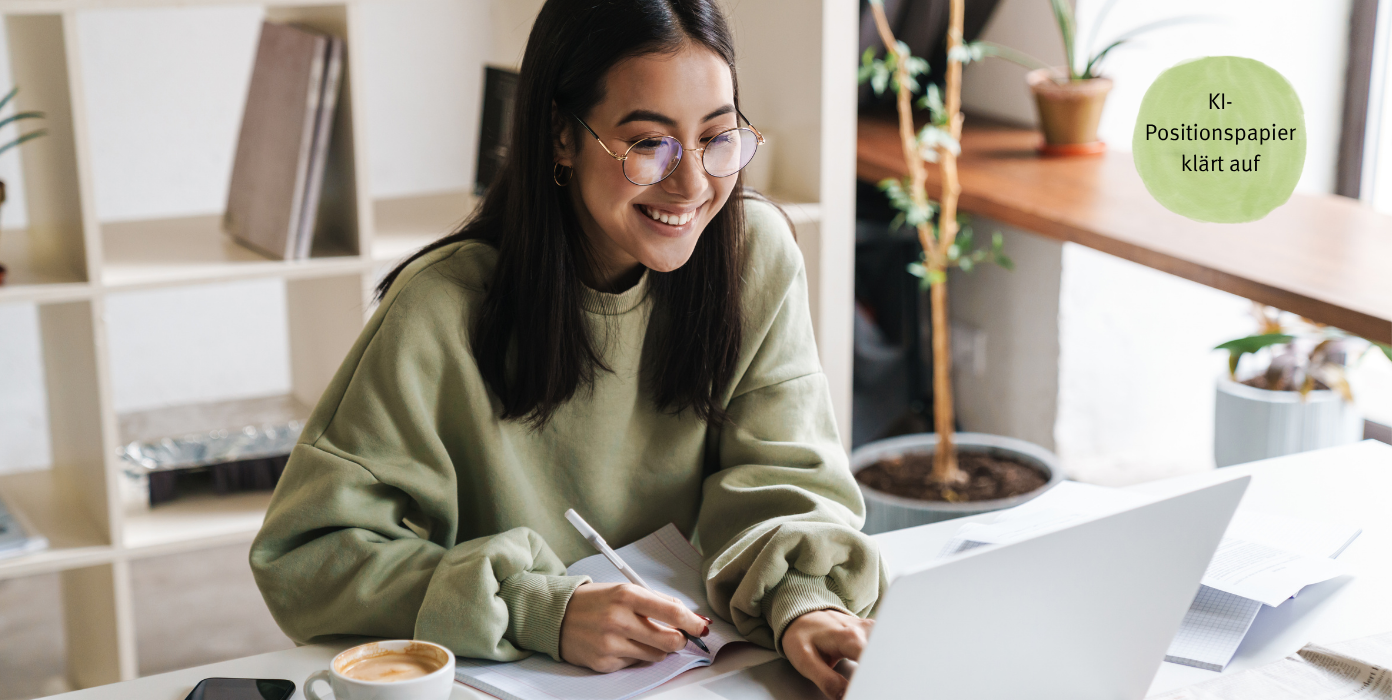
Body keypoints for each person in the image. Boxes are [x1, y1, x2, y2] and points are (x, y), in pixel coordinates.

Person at [249, 0, 885, 696]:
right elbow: (307, 558)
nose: (694, 184)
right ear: (561, 135)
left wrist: (803, 601)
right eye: (650, 144)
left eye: (717, 136)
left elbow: (786, 477)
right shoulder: (439, 308)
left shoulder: (752, 254)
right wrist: (539, 607)